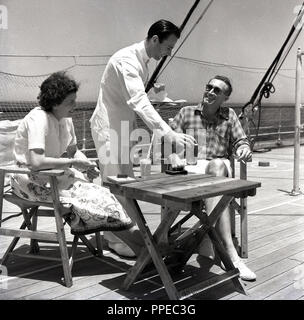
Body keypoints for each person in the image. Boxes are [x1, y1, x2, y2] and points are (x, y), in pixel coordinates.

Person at [90, 19, 195, 256]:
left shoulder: (142, 62)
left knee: (124, 183)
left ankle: (124, 235)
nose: (168, 53)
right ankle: (116, 240)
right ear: (155, 39)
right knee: (115, 183)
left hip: (124, 126)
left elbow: (137, 98)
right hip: (108, 127)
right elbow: (138, 101)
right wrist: (169, 134)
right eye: (167, 48)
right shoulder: (127, 60)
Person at [11, 72, 143, 256]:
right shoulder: (38, 119)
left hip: (54, 177)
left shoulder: (65, 120)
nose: (75, 105)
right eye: (70, 102)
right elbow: (36, 162)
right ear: (55, 102)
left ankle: (143, 248)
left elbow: (72, 151)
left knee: (105, 195)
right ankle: (146, 250)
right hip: (31, 181)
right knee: (95, 200)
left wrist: (86, 164)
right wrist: (73, 162)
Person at [168, 75, 256, 281]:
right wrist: (173, 157)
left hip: (217, 168)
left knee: (216, 166)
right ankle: (223, 246)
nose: (210, 92)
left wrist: (244, 149)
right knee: (213, 178)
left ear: (225, 97)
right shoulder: (186, 113)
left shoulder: (230, 115)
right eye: (209, 87)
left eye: (217, 90)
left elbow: (241, 141)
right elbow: (169, 143)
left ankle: (226, 248)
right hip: (190, 170)